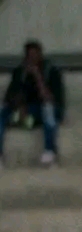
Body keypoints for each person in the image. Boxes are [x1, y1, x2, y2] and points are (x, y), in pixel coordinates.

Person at [0, 40, 65, 168]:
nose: (32, 59)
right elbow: (9, 97)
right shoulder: (19, 73)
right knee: (2, 113)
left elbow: (49, 99)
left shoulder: (51, 72)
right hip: (27, 116)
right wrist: (20, 107)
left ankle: (50, 152)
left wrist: (37, 76)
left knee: (48, 110)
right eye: (29, 56)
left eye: (35, 56)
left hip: (47, 113)